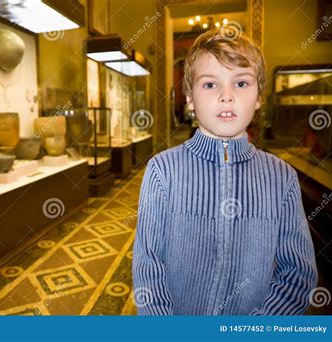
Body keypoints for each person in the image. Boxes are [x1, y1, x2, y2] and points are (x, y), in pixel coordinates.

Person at [132, 28, 317, 315]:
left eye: (241, 83)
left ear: (258, 97)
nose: (227, 96)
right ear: (190, 98)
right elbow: (149, 265)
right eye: (210, 85)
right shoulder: (162, 171)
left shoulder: (282, 177)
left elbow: (297, 274)